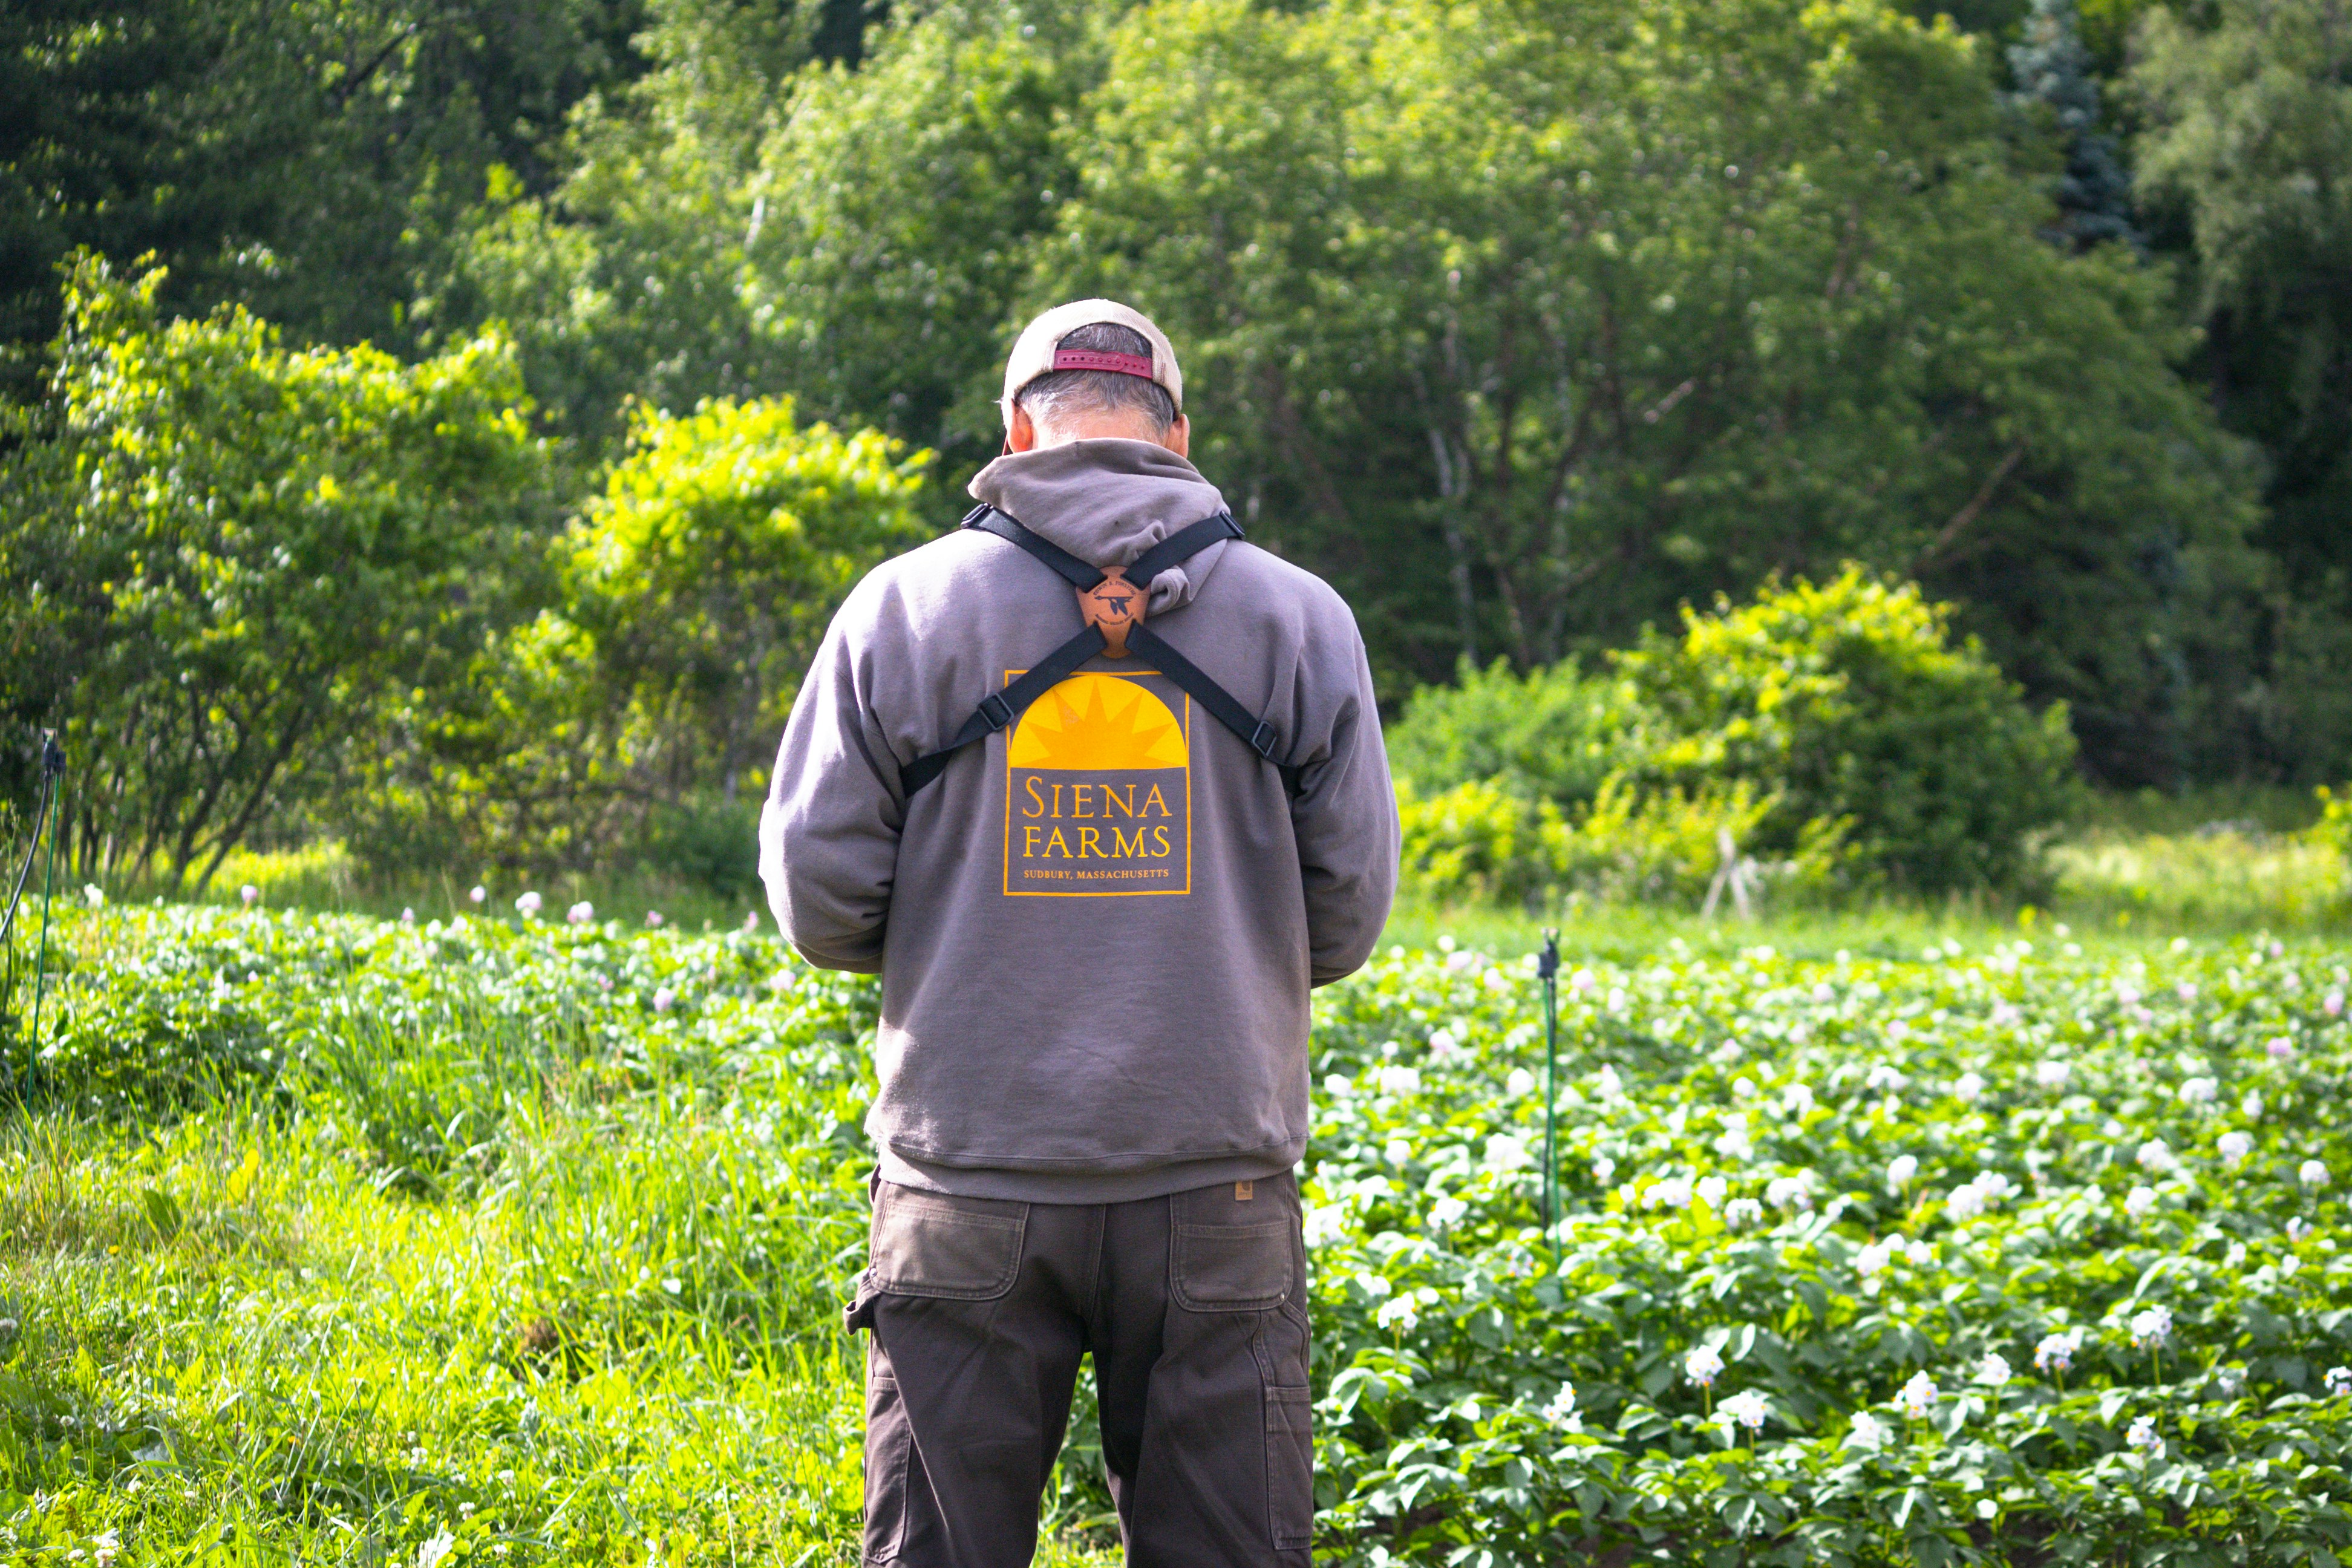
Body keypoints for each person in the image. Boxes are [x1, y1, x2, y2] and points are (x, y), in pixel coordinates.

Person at [760, 298, 1399, 1567]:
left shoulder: (901, 611)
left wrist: (967, 932)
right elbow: (1348, 914)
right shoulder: (1298, 619)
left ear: (1015, 430)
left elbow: (820, 905)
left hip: (969, 1174)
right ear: (1177, 433)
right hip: (1213, 1178)